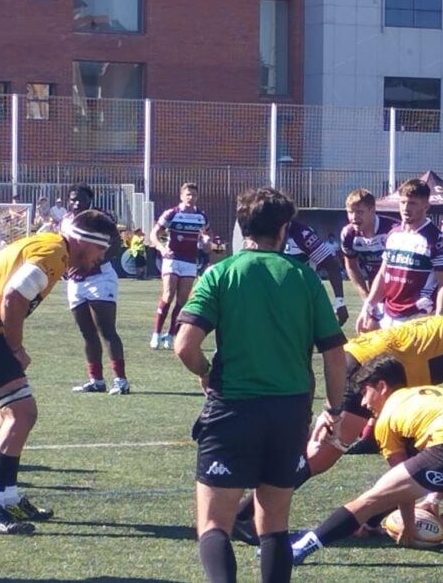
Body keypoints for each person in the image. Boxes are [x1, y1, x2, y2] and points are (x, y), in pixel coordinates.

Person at [174, 187, 348, 583]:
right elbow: (334, 354)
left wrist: (205, 371)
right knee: (273, 526)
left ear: (241, 227)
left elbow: (185, 346)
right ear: (284, 229)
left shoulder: (219, 273)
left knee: (213, 524)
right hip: (289, 411)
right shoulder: (304, 277)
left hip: (233, 409)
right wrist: (335, 410)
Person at [0, 209, 117, 535]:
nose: (100, 259)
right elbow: (13, 296)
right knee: (21, 413)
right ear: (83, 241)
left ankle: (6, 495)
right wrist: (16, 349)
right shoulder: (54, 253)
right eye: (100, 250)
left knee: (15, 413)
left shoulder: (51, 246)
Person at [290, 357, 443, 563]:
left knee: (368, 500)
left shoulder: (386, 416)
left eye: (365, 393)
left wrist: (409, 527)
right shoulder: (433, 393)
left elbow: (403, 483)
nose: (363, 403)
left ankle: (301, 548)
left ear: (382, 386)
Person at [298, 288, 443, 486]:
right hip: (367, 368)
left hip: (356, 356)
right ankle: (272, 503)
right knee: (325, 453)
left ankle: (384, 515)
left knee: (320, 438)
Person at [358, 179, 443, 331]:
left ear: (426, 205)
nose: (405, 208)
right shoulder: (393, 234)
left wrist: (439, 319)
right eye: (402, 202)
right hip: (388, 316)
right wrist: (368, 306)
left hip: (418, 316)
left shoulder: (437, 239)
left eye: (412, 203)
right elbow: (383, 275)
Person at [65, 184, 129, 396]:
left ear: (89, 201)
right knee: (86, 332)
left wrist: (90, 265)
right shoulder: (66, 221)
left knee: (106, 330)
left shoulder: (100, 219)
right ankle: (96, 380)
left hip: (99, 277)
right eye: (72, 199)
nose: (76, 203)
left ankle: (120, 380)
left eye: (80, 199)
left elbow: (114, 247)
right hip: (75, 282)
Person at [150, 182, 208, 349]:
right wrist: (161, 248)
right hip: (172, 259)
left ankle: (170, 334)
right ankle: (156, 333)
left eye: (194, 195)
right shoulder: (172, 213)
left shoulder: (201, 216)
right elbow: (154, 234)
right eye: (188, 194)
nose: (191, 198)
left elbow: (206, 237)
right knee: (168, 295)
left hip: (190, 261)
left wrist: (206, 242)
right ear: (181, 196)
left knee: (182, 300)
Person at [339, 188, 399, 311]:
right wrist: (366, 296)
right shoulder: (348, 234)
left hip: (399, 290)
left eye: (359, 212)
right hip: (374, 288)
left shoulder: (393, 231)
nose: (354, 217)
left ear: (372, 210)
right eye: (350, 212)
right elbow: (351, 266)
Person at [283, 219, 349, 326]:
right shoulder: (258, 232)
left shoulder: (301, 233)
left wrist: (339, 301)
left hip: (304, 297)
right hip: (275, 297)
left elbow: (332, 265)